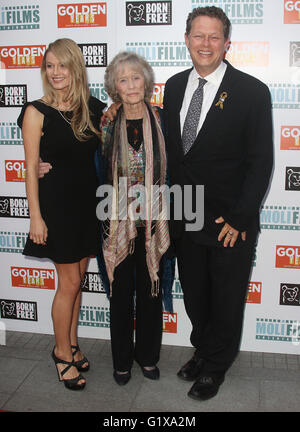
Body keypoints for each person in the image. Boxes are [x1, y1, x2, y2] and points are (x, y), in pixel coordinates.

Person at [163, 6, 273, 400]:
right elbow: (175, 154)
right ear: (187, 39)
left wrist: (242, 218)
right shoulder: (174, 87)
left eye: (214, 37)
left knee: (226, 299)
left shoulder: (252, 91)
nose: (205, 44)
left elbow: (261, 162)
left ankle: (214, 368)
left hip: (230, 219)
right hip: (185, 214)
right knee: (195, 294)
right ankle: (204, 350)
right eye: (198, 35)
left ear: (227, 43)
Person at [17, 38, 106, 390]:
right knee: (68, 283)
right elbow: (29, 167)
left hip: (88, 206)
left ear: (76, 68)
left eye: (62, 65)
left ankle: (71, 344)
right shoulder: (36, 111)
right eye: (49, 65)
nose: (55, 72)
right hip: (57, 209)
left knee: (76, 282)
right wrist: (35, 217)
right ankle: (60, 353)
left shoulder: (93, 108)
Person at [96, 51, 172, 385]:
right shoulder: (106, 122)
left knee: (151, 291)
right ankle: (122, 361)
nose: (130, 85)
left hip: (154, 222)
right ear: (114, 86)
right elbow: (82, 159)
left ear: (147, 81)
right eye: (123, 79)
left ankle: (148, 357)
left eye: (136, 77)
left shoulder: (163, 118)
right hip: (116, 223)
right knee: (121, 294)